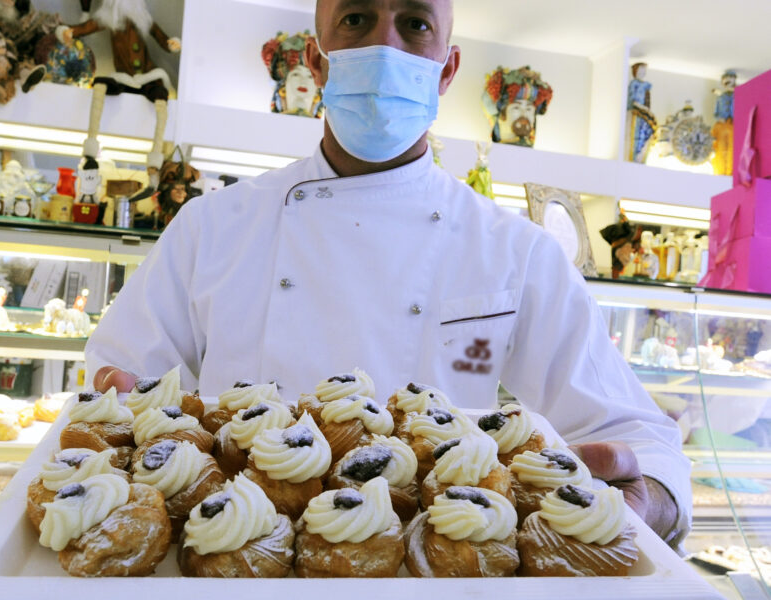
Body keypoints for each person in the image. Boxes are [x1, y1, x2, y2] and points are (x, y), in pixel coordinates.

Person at [85, 0, 690, 546]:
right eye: (355, 19)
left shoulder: (514, 251)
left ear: (447, 70)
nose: (386, 48)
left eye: (414, 24)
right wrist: (116, 418)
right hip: (237, 554)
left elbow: (632, 429)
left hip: (438, 564)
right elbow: (116, 392)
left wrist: (654, 498)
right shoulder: (211, 228)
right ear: (316, 63)